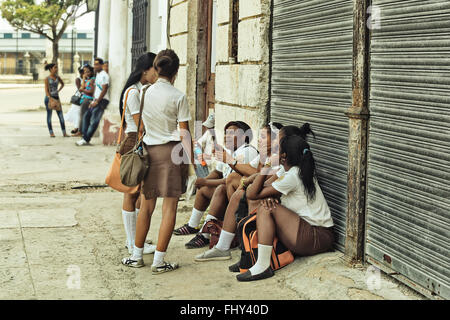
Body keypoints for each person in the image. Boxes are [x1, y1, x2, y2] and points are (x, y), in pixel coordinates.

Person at [121, 49, 194, 274]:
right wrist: (192, 164)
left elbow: (141, 124)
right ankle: (159, 261)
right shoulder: (179, 96)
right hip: (172, 154)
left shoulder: (143, 92)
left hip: (149, 153)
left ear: (157, 66)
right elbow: (184, 133)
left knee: (146, 206)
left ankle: (136, 255)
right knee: (169, 208)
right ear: (176, 71)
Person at [237, 134, 334, 281]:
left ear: (283, 156)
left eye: (277, 150)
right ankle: (251, 257)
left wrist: (267, 165)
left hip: (317, 236)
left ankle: (262, 266)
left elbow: (252, 193)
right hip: (311, 233)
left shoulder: (293, 176)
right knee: (264, 203)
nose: (274, 153)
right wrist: (268, 195)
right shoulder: (291, 171)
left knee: (266, 208)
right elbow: (256, 191)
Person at [194, 122, 284, 262]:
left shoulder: (273, 157)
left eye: (262, 137)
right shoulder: (263, 155)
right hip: (259, 196)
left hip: (272, 202)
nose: (259, 140)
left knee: (235, 186)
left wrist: (231, 163)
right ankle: (212, 235)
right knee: (233, 183)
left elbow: (260, 177)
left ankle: (238, 239)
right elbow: (250, 173)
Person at [180, 121, 259, 249]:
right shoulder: (229, 151)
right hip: (230, 192)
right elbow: (218, 172)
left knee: (220, 189)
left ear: (244, 137)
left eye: (231, 133)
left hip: (240, 197)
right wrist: (203, 181)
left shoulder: (247, 151)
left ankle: (205, 233)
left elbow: (230, 180)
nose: (226, 136)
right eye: (225, 133)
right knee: (205, 189)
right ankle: (193, 225)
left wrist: (205, 181)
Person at [118, 52, 159, 256]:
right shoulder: (133, 93)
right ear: (145, 70)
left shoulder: (136, 90)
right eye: (155, 69)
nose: (157, 74)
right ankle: (132, 242)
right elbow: (140, 125)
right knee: (131, 192)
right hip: (135, 141)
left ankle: (134, 240)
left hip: (133, 141)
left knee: (134, 193)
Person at [76, 58, 109, 146]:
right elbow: (97, 90)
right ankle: (84, 137)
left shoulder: (104, 75)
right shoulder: (98, 75)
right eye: (94, 64)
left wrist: (97, 101)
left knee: (94, 121)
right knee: (86, 117)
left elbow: (104, 89)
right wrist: (94, 100)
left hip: (101, 101)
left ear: (101, 65)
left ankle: (86, 139)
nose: (95, 66)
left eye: (97, 64)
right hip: (96, 100)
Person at [44, 63, 69, 138]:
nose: (56, 69)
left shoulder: (58, 77)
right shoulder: (47, 79)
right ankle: (51, 133)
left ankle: (64, 133)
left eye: (57, 67)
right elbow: (46, 90)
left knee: (61, 116)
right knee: (49, 116)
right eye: (55, 67)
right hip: (49, 99)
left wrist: (58, 91)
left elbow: (62, 84)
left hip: (57, 98)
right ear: (51, 69)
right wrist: (50, 98)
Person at [75, 64, 96, 137]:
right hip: (84, 98)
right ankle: (82, 130)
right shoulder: (87, 79)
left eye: (87, 72)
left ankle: (80, 131)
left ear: (91, 72)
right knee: (83, 115)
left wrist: (83, 90)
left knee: (82, 115)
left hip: (88, 99)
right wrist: (83, 78)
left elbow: (91, 91)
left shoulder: (92, 80)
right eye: (84, 72)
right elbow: (82, 87)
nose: (86, 73)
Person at [194, 113, 216, 178]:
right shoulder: (208, 133)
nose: (208, 129)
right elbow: (197, 144)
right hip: (205, 165)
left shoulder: (219, 135)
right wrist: (200, 156)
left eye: (211, 127)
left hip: (213, 168)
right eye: (208, 127)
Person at [64, 67, 84, 135]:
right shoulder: (78, 79)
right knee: (75, 112)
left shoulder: (88, 79)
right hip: (79, 98)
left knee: (79, 113)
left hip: (84, 97)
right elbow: (80, 88)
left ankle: (77, 127)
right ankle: (76, 127)